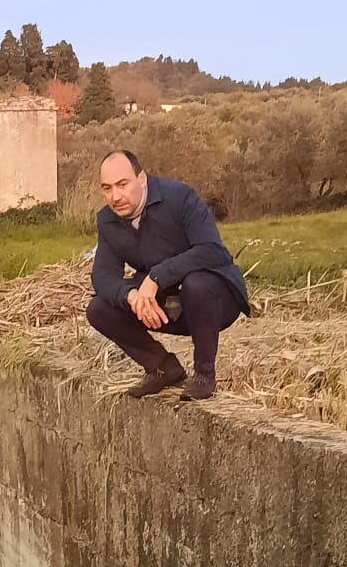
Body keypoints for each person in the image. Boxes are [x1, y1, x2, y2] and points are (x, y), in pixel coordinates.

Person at [85, 150, 249, 400]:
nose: (115, 197)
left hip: (214, 303)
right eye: (107, 188)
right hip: (165, 308)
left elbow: (213, 251)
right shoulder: (107, 220)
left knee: (197, 283)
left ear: (142, 179)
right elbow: (103, 275)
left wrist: (156, 278)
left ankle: (204, 374)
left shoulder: (179, 198)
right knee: (98, 309)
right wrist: (131, 296)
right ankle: (163, 368)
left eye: (122, 184)